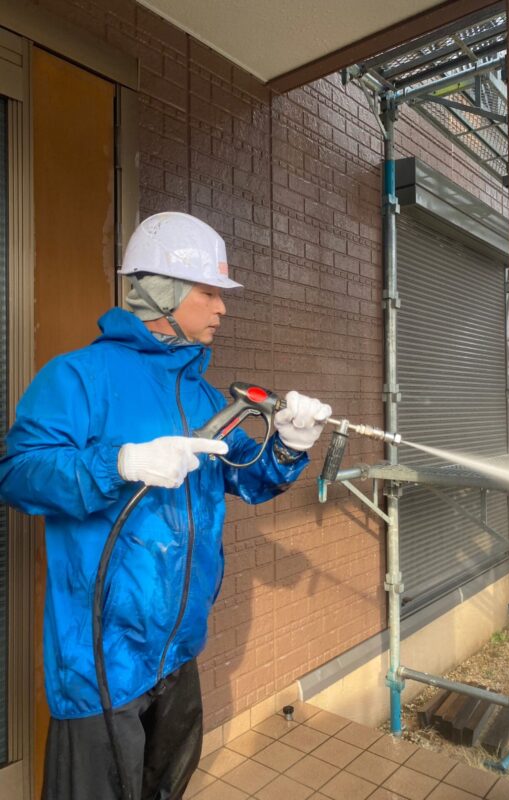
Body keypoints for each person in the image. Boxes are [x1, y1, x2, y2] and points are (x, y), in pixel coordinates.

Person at [0, 212, 332, 800]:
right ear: (162, 290)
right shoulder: (78, 377)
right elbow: (18, 473)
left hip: (178, 651)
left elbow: (251, 479)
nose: (222, 308)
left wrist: (290, 444)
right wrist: (120, 462)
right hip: (101, 661)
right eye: (209, 292)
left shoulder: (201, 394)